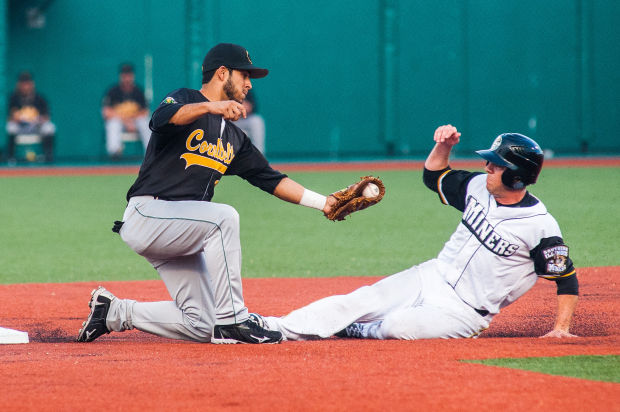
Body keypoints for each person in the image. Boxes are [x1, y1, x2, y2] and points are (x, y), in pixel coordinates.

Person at [77, 43, 340, 345]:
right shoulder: (186, 99)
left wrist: (325, 203)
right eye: (245, 75)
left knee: (201, 323)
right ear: (222, 73)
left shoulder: (234, 138)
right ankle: (234, 320)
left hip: (180, 230)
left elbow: (273, 180)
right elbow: (160, 119)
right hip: (148, 214)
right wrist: (211, 107)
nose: (249, 84)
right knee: (223, 218)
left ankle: (114, 313)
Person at [263, 125, 579, 341]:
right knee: (360, 299)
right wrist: (443, 146)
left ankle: (360, 331)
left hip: (466, 312)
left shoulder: (540, 226)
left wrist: (561, 328)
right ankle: (273, 327)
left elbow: (566, 277)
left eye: (496, 165)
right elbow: (434, 176)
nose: (487, 167)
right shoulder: (477, 187)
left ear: (517, 177)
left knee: (399, 327)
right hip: (430, 276)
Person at [102, 63, 151, 158]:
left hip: (135, 122)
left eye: (129, 75)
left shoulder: (138, 92)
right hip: (120, 122)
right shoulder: (113, 91)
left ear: (133, 76)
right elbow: (106, 112)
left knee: (145, 122)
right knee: (112, 123)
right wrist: (126, 121)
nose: (127, 78)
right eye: (125, 76)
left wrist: (131, 121)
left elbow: (145, 112)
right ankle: (115, 153)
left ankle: (150, 153)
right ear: (121, 76)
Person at [6, 71, 56, 163]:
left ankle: (48, 156)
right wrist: (19, 118)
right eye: (23, 83)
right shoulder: (13, 98)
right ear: (19, 84)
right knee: (10, 126)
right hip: (20, 126)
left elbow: (47, 117)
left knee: (49, 127)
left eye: (27, 83)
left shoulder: (39, 98)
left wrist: (37, 119)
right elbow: (10, 117)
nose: (25, 86)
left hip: (35, 126)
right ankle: (11, 157)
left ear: (32, 84)